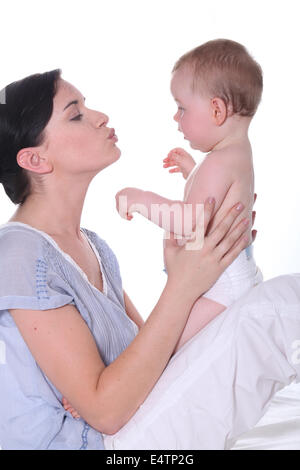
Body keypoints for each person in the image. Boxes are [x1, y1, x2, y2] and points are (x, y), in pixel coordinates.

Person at [0, 69, 253, 450]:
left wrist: (201, 261)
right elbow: (106, 411)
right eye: (76, 114)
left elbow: (150, 362)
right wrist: (184, 285)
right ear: (35, 159)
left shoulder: (97, 250)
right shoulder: (18, 255)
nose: (100, 116)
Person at [115, 39, 263, 352]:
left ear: (217, 110)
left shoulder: (219, 162)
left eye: (182, 108)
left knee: (161, 350)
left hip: (221, 289)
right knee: (168, 345)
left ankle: (113, 390)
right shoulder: (232, 154)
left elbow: (190, 221)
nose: (175, 118)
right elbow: (214, 201)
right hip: (227, 278)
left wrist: (141, 198)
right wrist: (191, 171)